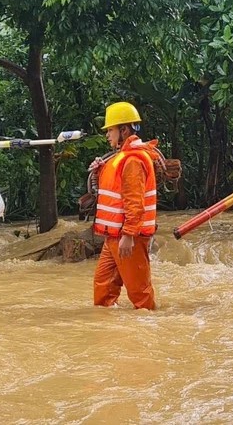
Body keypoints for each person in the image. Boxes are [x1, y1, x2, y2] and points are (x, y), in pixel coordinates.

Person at [91, 102, 159, 310]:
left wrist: (128, 234)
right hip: (114, 236)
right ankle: (111, 334)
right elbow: (116, 191)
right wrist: (98, 172)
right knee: (103, 291)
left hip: (128, 236)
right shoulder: (122, 157)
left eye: (110, 130)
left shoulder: (132, 160)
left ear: (124, 130)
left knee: (140, 295)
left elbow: (134, 201)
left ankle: (148, 335)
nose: (107, 135)